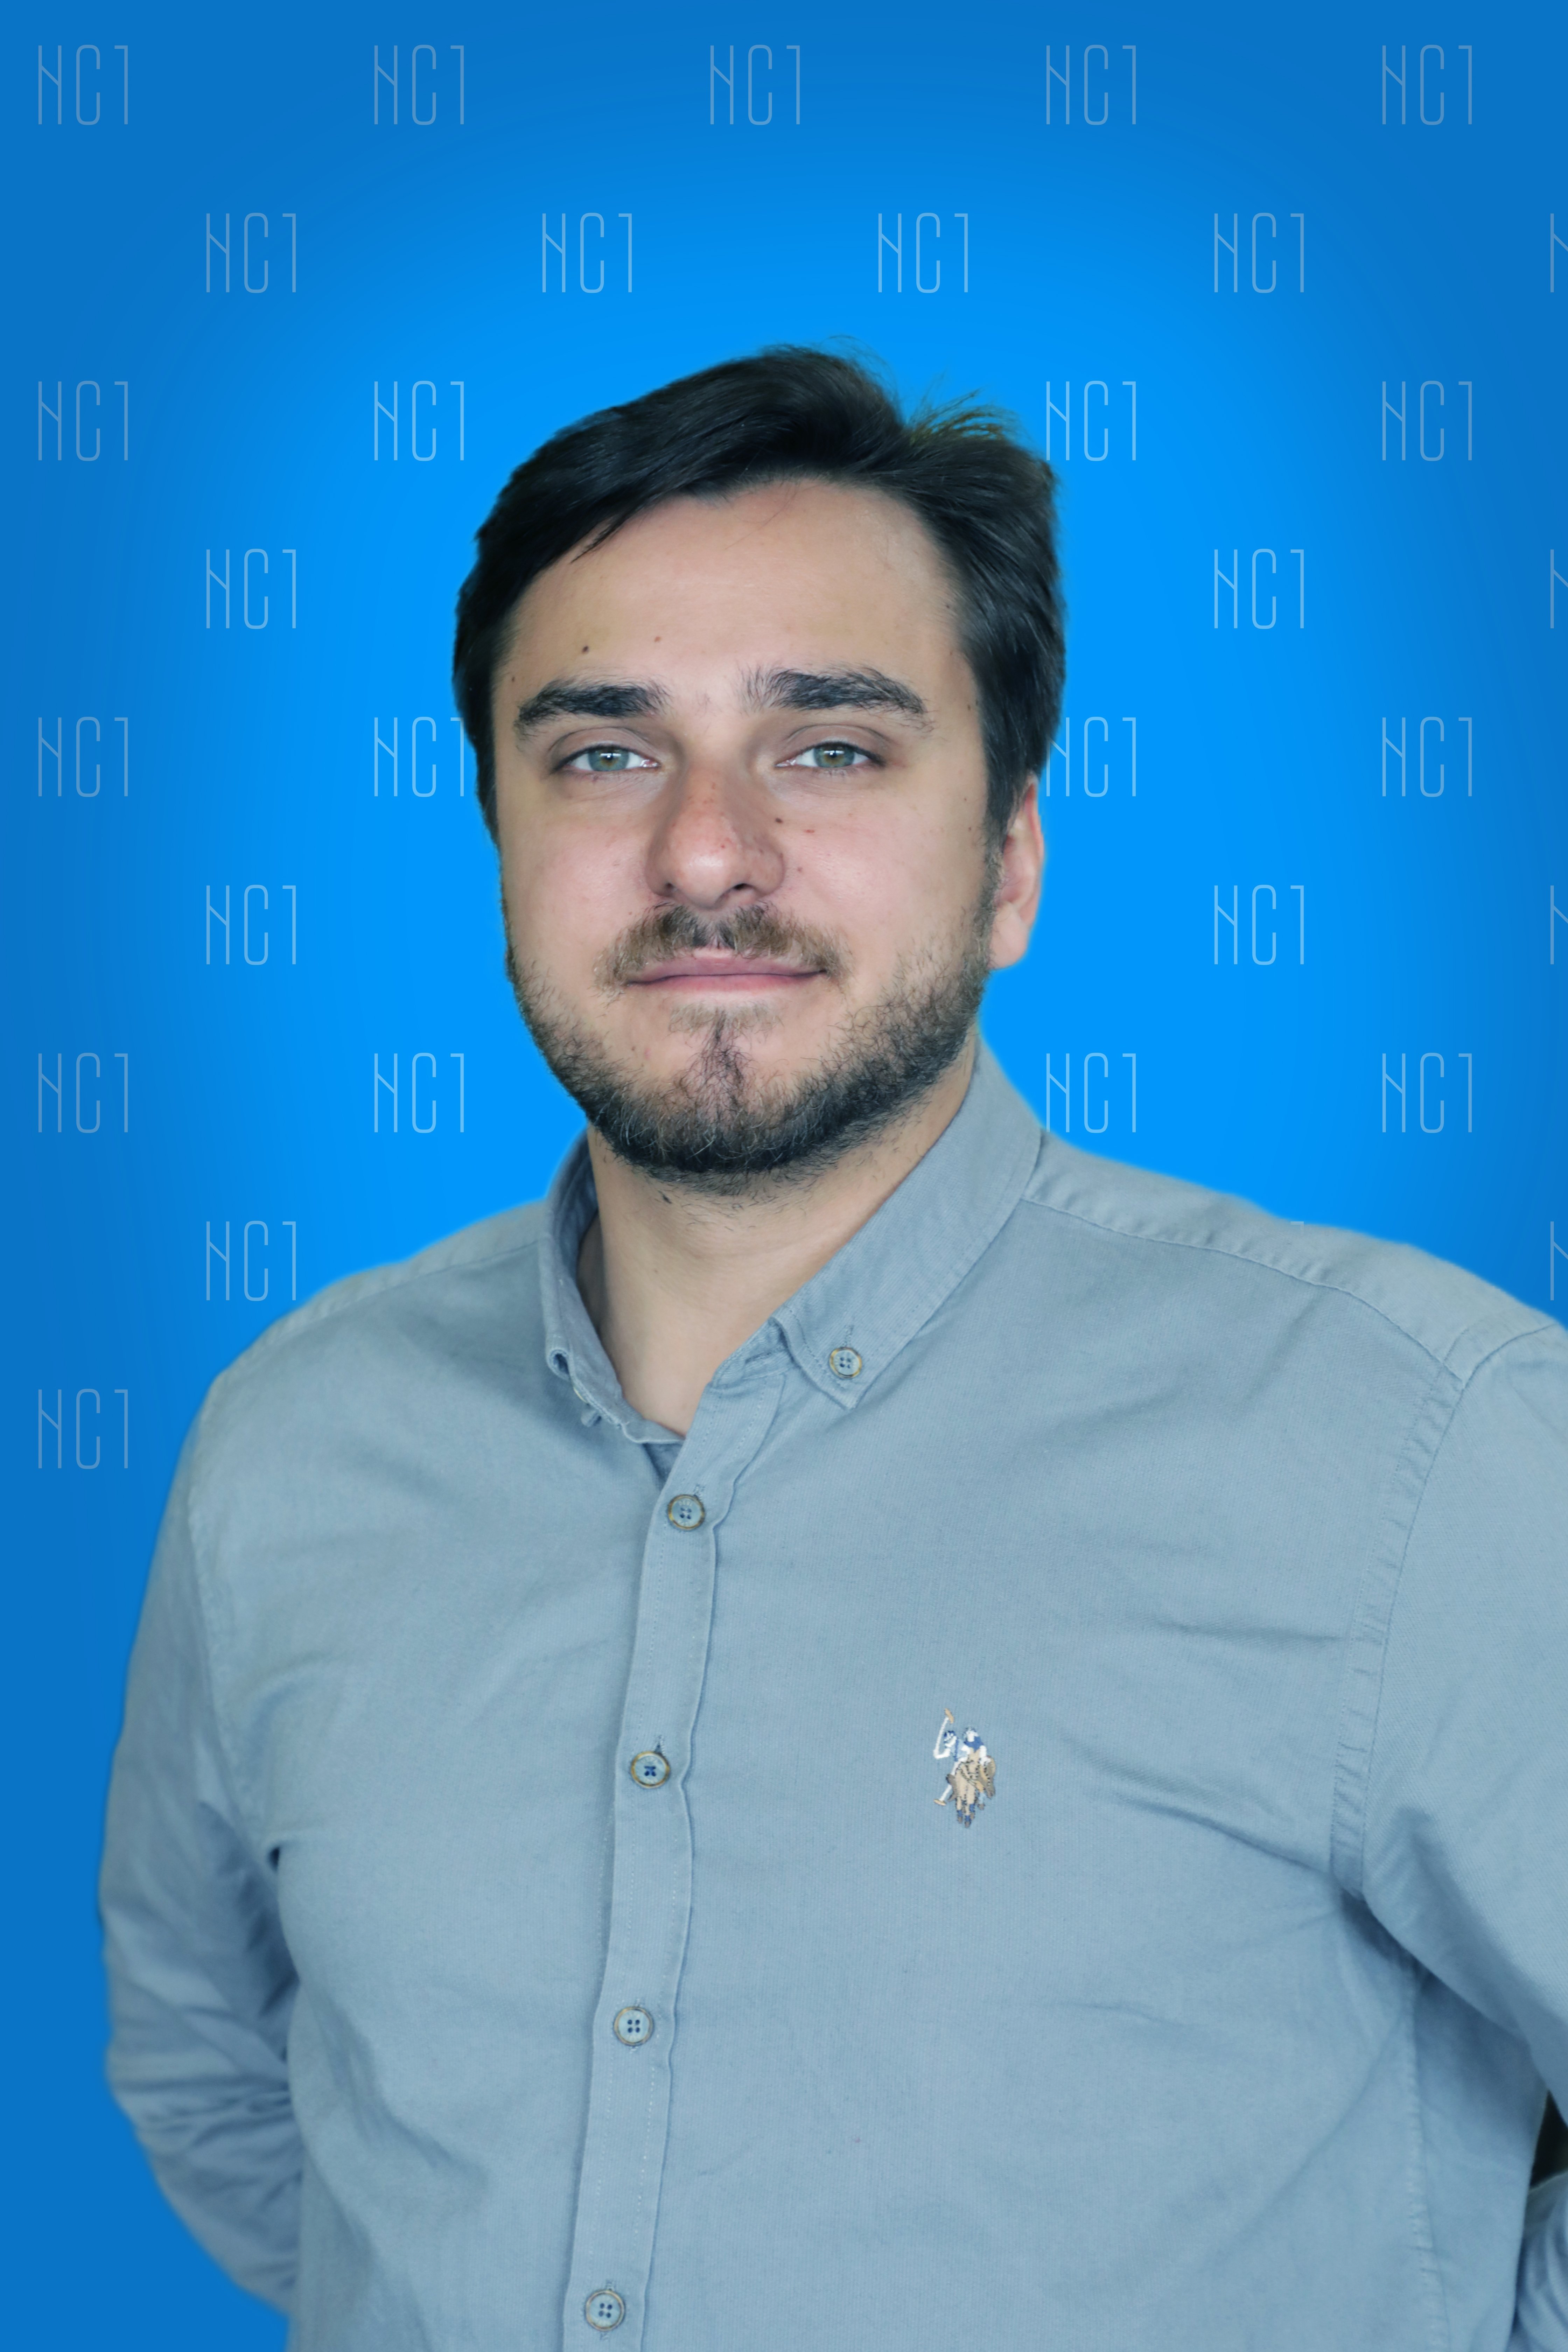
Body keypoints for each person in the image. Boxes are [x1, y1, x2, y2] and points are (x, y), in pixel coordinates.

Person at [100, 347, 1568, 2352]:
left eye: (832, 747)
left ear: (1013, 860)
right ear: (499, 840)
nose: (709, 853)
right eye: (602, 754)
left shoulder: (1419, 1444)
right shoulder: (286, 1447)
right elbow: (226, 2087)